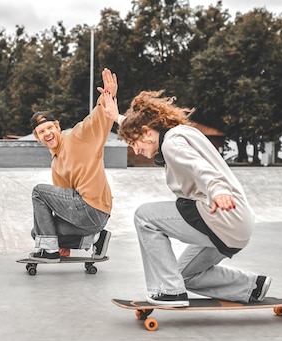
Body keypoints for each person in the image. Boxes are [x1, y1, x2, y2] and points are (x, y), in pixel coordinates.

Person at [112, 90, 271, 306]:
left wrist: (218, 190)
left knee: (144, 217)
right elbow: (139, 127)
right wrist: (117, 117)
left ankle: (169, 291)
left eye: (134, 143)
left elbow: (201, 168)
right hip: (236, 224)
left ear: (147, 131)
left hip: (219, 215)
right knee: (184, 275)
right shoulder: (179, 133)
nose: (136, 150)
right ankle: (251, 287)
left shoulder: (171, 144)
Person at [27, 68, 119, 263]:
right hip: (88, 220)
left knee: (38, 192)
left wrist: (107, 97)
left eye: (50, 128)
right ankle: (96, 239)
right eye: (42, 131)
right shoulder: (56, 164)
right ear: (37, 138)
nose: (48, 133)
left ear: (58, 127)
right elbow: (61, 203)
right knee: (39, 231)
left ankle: (49, 252)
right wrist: (62, 243)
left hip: (92, 207)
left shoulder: (76, 136)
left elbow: (95, 120)